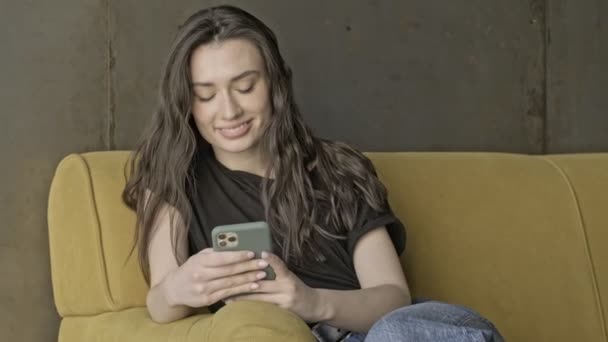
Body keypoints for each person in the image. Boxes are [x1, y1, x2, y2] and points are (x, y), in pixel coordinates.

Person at [122, 5, 504, 342]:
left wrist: (310, 301)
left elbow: (392, 296)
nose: (229, 110)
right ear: (186, 103)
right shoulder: (172, 181)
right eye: (205, 95)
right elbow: (160, 302)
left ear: (275, 86)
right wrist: (180, 287)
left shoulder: (336, 169)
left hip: (410, 329)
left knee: (394, 334)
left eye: (246, 86)